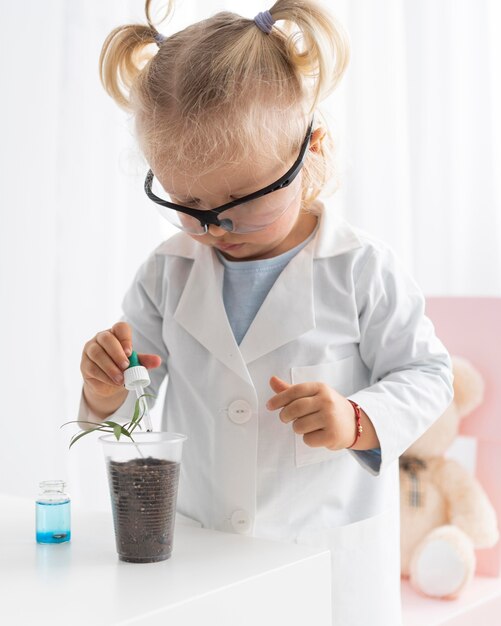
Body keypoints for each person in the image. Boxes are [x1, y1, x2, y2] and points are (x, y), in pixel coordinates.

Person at [78, 2, 453, 624]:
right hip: (203, 557)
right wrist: (104, 387)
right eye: (189, 202)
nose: (214, 224)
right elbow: (136, 399)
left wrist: (357, 418)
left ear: (310, 152)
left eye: (238, 200)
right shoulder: (166, 274)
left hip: (324, 562)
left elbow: (428, 374)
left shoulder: (360, 268)